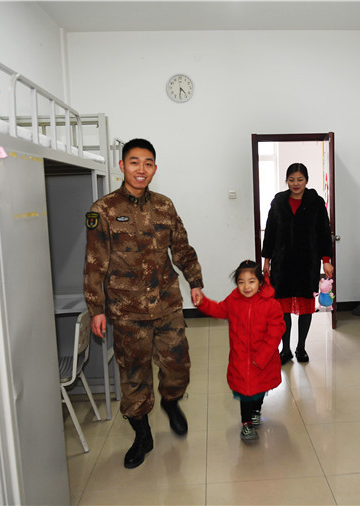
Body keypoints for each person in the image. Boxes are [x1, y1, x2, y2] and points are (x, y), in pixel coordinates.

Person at [83, 138, 204, 469]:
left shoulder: (164, 206)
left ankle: (171, 402)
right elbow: (95, 263)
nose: (141, 169)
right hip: (127, 310)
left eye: (148, 163)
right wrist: (96, 309)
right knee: (134, 376)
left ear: (154, 168)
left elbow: (181, 247)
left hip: (167, 301)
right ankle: (142, 434)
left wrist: (195, 281)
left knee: (178, 366)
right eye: (134, 162)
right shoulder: (103, 210)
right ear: (122, 166)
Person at [195, 260, 286, 441]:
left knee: (260, 390)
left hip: (263, 360)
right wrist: (202, 302)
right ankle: (246, 424)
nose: (246, 287)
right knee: (245, 393)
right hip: (241, 359)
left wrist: (262, 357)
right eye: (241, 282)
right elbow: (218, 309)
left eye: (251, 281)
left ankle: (256, 411)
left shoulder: (270, 304)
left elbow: (276, 332)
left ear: (260, 282)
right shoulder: (234, 300)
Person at [262, 163, 333, 365]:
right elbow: (270, 232)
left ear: (306, 181)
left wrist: (326, 261)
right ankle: (285, 350)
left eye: (300, 179)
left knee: (306, 307)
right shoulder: (278, 202)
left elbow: (323, 232)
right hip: (282, 263)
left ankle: (301, 348)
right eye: (292, 180)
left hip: (307, 263)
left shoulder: (316, 202)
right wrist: (266, 260)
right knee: (282, 309)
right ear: (286, 181)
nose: (296, 184)